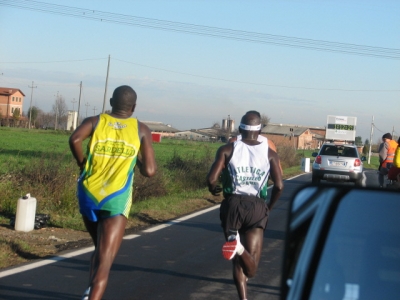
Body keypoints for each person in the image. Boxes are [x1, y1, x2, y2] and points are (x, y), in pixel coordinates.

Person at [69, 85, 156, 300]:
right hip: (116, 199)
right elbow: (150, 171)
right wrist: (137, 160)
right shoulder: (141, 129)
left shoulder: (95, 121)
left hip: (88, 194)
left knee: (99, 250)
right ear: (133, 107)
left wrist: (83, 164)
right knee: (105, 261)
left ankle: (90, 290)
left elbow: (75, 139)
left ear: (110, 102)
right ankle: (92, 296)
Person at [206, 111, 284, 300]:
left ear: (240, 129)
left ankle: (243, 294)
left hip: (232, 205)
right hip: (257, 206)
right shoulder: (270, 153)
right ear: (260, 131)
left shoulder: (227, 149)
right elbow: (280, 186)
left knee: (237, 262)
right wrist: (268, 208)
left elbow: (211, 179)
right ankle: (239, 248)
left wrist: (213, 189)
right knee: (252, 268)